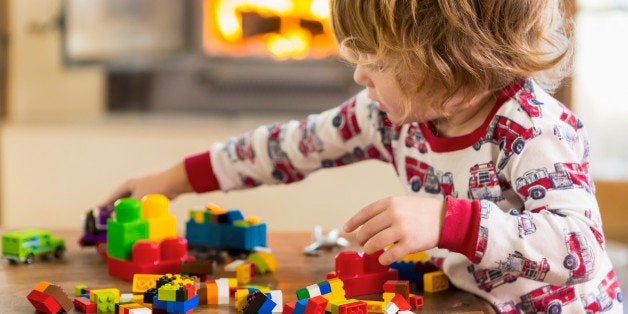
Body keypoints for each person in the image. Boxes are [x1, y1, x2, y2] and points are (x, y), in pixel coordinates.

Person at [102, 1, 622, 312]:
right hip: (472, 302)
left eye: (372, 60)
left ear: (447, 64)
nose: (358, 77)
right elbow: (288, 147)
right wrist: (173, 178)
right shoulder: (386, 115)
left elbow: (580, 247)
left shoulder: (534, 128)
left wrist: (449, 221)